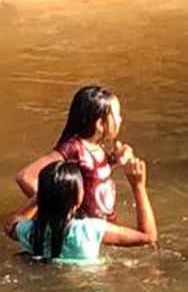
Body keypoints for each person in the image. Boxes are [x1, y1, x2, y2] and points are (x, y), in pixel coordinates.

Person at [5, 157, 158, 262]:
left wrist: (39, 198)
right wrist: (138, 187)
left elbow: (11, 225)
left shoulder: (30, 232)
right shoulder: (90, 230)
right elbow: (148, 236)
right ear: (79, 198)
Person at [14, 85, 128, 221]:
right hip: (82, 234)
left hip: (102, 229)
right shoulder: (73, 148)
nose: (120, 119)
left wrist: (115, 159)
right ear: (100, 124)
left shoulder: (97, 146)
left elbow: (92, 176)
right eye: (117, 115)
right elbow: (25, 176)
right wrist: (57, 210)